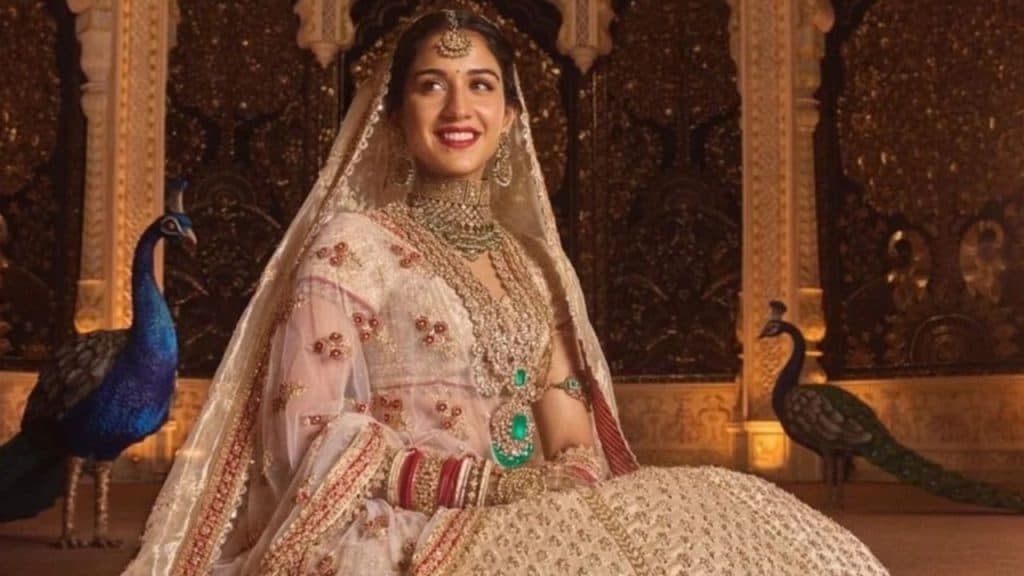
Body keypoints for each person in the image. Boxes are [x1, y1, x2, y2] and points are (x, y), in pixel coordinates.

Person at [125, 9, 888, 575]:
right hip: (400, 528)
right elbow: (306, 433)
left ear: (512, 115)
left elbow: (566, 418)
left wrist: (570, 481)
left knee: (729, 513)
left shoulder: (530, 264)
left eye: (481, 86)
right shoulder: (353, 244)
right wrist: (483, 485)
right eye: (432, 86)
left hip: (525, 516)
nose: (459, 110)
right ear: (395, 113)